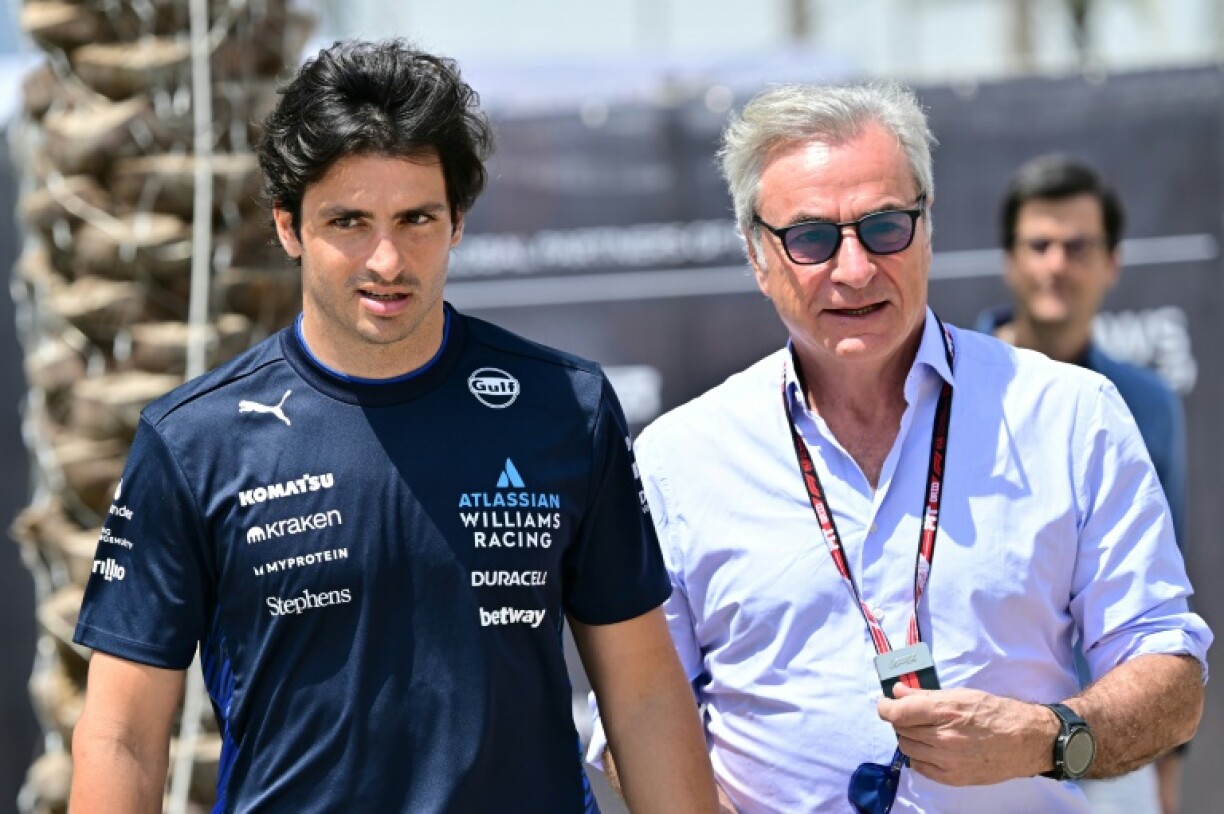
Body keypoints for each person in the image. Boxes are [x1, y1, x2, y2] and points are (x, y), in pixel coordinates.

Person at [69, 39, 717, 813]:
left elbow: (643, 693)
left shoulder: (564, 407)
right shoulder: (193, 440)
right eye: (348, 221)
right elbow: (122, 735)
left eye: (416, 218)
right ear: (287, 227)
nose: (387, 258)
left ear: (459, 223)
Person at [587, 82, 1210, 813]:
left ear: (927, 225)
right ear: (759, 256)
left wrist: (1046, 738)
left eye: (884, 226)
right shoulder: (679, 460)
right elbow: (635, 715)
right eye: (812, 238)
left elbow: (1169, 677)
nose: (854, 269)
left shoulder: (1068, 414)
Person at [976, 154, 1190, 814]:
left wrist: (1164, 769)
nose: (1057, 265)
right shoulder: (948, 388)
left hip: (1107, 746)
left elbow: (1162, 602)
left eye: (1078, 246)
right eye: (1039, 244)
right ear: (1010, 259)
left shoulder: (1147, 404)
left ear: (1111, 261)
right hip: (984, 744)